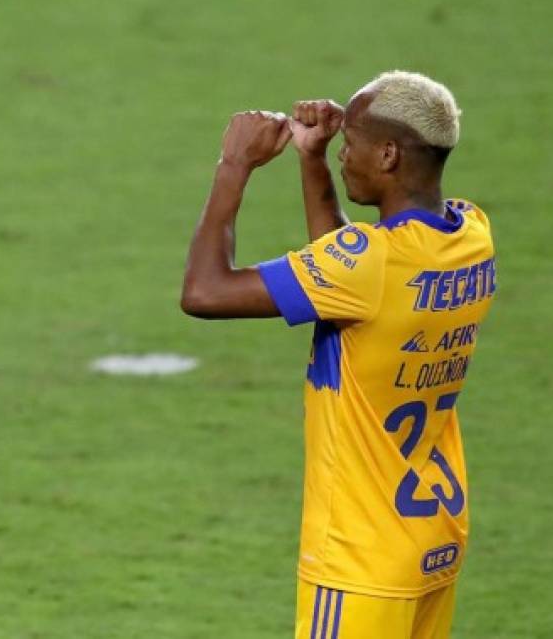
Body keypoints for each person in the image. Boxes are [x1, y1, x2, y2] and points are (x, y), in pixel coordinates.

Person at [181, 71, 496, 638]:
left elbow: (204, 292)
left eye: (349, 142)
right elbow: (346, 271)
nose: (344, 153)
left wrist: (235, 167)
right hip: (432, 539)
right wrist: (312, 159)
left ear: (389, 154)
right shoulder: (471, 234)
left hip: (361, 560)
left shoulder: (370, 265)